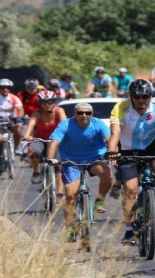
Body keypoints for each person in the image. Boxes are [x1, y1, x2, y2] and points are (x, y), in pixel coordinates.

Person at [107, 79, 155, 245]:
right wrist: (112, 151)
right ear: (131, 96)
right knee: (130, 189)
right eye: (137, 97)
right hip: (128, 149)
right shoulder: (121, 108)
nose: (141, 100)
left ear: (150, 95)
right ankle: (129, 230)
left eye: (145, 96)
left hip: (153, 147)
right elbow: (115, 133)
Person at [46, 102, 113, 242]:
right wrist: (50, 159)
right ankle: (69, 227)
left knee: (107, 174)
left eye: (88, 113)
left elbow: (109, 140)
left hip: (94, 159)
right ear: (74, 114)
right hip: (71, 161)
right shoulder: (66, 124)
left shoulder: (98, 124)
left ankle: (100, 200)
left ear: (92, 115)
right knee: (70, 194)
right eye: (80, 113)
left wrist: (113, 154)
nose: (84, 115)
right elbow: (54, 143)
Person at [23, 90, 67, 187]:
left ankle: (59, 193)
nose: (47, 105)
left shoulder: (59, 111)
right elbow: (31, 125)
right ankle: (36, 172)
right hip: (40, 139)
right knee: (33, 150)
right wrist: (27, 135)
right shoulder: (37, 112)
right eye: (43, 102)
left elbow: (65, 125)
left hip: (56, 141)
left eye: (50, 102)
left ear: (54, 102)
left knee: (60, 165)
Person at [0, 78, 24, 167]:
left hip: (11, 120)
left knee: (18, 129)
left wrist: (19, 118)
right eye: (2, 88)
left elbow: (20, 109)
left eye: (7, 87)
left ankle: (17, 147)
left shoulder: (14, 98)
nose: (5, 89)